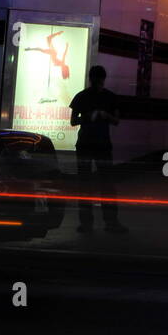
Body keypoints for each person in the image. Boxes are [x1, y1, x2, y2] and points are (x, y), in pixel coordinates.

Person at [69, 65, 127, 234]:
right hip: (102, 144)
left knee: (85, 185)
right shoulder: (111, 97)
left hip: (85, 144)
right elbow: (116, 121)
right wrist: (104, 116)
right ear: (104, 78)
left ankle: (86, 224)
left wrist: (88, 117)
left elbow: (73, 121)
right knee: (107, 185)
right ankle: (111, 222)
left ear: (90, 77)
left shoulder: (81, 96)